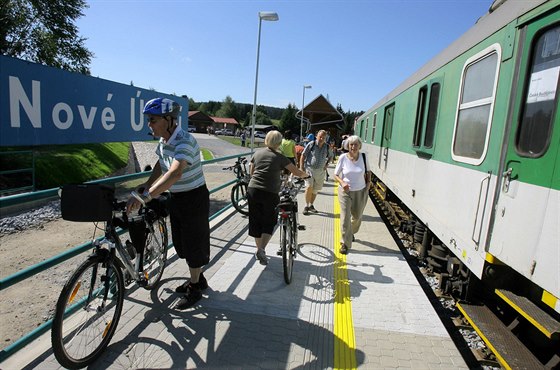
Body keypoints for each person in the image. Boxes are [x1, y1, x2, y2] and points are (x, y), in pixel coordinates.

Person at [127, 97, 210, 310]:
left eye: (153, 120)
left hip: (194, 197)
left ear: (168, 119)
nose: (149, 124)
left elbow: (174, 172)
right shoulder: (164, 141)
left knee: (193, 244)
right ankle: (198, 278)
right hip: (177, 197)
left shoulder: (184, 140)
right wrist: (146, 185)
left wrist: (147, 196)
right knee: (181, 244)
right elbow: (161, 165)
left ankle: (195, 288)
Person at [248, 130, 309, 265]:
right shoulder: (279, 157)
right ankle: (262, 249)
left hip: (253, 190)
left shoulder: (257, 153)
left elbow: (252, 172)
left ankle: (259, 249)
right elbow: (296, 172)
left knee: (256, 220)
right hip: (270, 192)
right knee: (269, 221)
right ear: (279, 143)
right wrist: (306, 176)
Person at [333, 135, 371, 254]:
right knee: (345, 218)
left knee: (357, 216)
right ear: (347, 146)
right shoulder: (343, 157)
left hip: (360, 191)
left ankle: (351, 233)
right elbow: (335, 174)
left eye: (355, 144)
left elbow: (368, 171)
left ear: (359, 146)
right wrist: (342, 182)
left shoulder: (364, 157)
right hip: (345, 191)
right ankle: (344, 243)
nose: (353, 147)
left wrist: (368, 183)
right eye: (351, 145)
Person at [299, 130, 333, 215]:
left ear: (326, 138)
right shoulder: (311, 144)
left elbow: (331, 156)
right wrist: (301, 168)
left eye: (324, 137)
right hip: (309, 169)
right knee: (309, 187)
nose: (321, 138)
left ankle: (311, 205)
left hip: (320, 172)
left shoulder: (327, 147)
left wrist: (326, 164)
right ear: (316, 136)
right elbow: (303, 155)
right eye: (320, 136)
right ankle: (306, 206)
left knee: (315, 190)